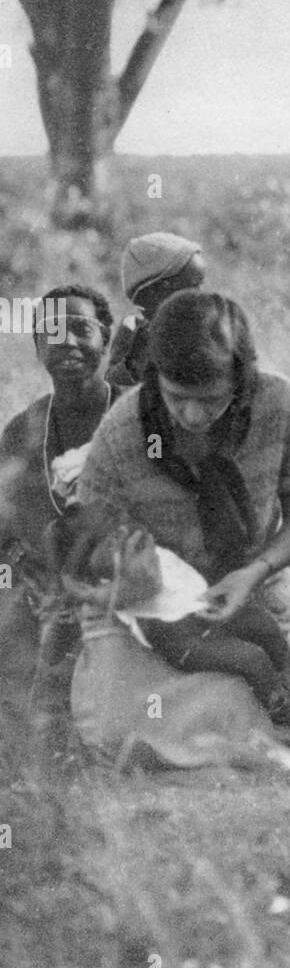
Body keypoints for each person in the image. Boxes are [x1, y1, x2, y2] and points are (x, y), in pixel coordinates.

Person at [73, 291, 290, 764]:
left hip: (247, 581)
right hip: (154, 606)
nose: (192, 415)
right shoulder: (124, 429)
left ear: (242, 378)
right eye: (176, 398)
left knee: (267, 656)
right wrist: (123, 571)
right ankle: (283, 727)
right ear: (155, 378)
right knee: (134, 719)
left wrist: (251, 574)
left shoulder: (277, 404)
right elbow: (87, 540)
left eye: (210, 400)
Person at [0, 285, 128, 744]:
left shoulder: (135, 412)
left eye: (82, 329)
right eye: (53, 333)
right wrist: (20, 562)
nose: (68, 342)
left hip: (129, 573)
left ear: (106, 338)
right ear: (38, 347)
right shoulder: (24, 430)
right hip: (53, 584)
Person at [50, 504, 290, 707]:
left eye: (116, 524)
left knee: (262, 624)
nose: (122, 534)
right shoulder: (108, 585)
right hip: (179, 636)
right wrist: (82, 582)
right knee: (250, 658)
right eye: (106, 540)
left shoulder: (140, 540)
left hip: (201, 607)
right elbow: (140, 583)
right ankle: (276, 705)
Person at [107, 233, 206, 387]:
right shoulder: (133, 330)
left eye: (201, 284)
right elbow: (112, 382)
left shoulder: (209, 327)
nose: (202, 295)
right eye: (193, 287)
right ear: (157, 294)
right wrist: (134, 365)